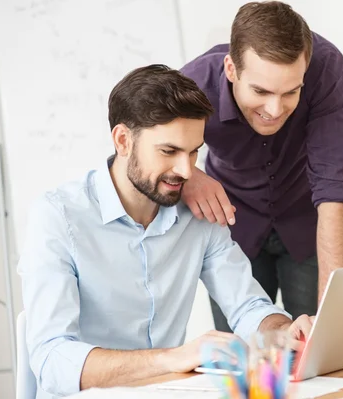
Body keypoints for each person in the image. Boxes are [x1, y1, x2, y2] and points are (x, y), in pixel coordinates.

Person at [17, 64, 313, 399]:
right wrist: (174, 358)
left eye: (193, 152)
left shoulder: (199, 215)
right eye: (169, 151)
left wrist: (284, 331)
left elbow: (247, 307)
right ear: (123, 140)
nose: (186, 171)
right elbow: (53, 360)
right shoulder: (58, 217)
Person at [179, 1, 343, 333]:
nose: (274, 109)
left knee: (313, 349)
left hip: (306, 225)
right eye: (260, 91)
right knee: (242, 354)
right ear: (231, 69)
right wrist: (189, 177)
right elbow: (146, 153)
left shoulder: (327, 70)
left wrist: (330, 325)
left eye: (291, 92)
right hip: (233, 226)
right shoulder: (193, 85)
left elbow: (335, 192)